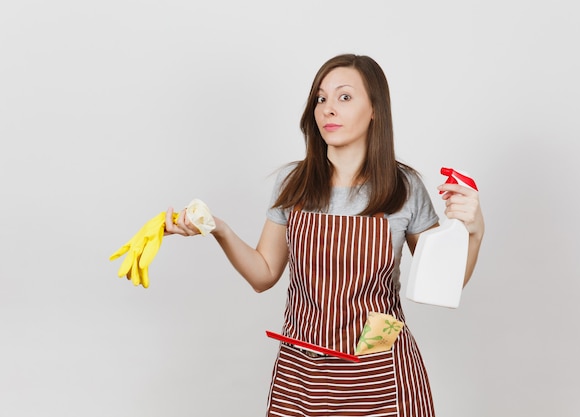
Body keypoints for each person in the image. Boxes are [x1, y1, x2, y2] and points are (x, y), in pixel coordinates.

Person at [164, 53, 484, 417]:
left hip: (380, 373)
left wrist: (473, 232)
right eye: (321, 98)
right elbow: (263, 274)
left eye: (344, 97)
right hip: (301, 375)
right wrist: (217, 228)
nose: (328, 109)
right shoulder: (294, 184)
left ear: (376, 108)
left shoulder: (403, 187)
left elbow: (443, 283)